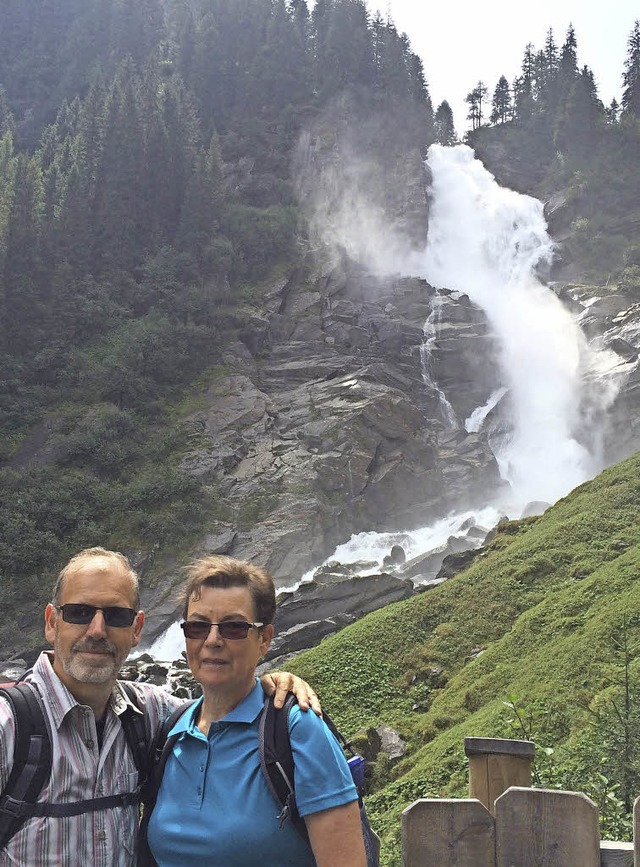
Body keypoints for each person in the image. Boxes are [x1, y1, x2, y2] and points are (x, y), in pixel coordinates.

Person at [0, 547, 321, 867]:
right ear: (52, 622)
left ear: (136, 628)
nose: (97, 630)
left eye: (116, 616)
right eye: (80, 612)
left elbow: (221, 708)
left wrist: (272, 682)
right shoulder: (9, 729)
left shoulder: (150, 715)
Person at [146, 554, 367, 867]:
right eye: (197, 626)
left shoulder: (296, 729)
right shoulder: (170, 732)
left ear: (264, 639)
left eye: (233, 627)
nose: (212, 640)